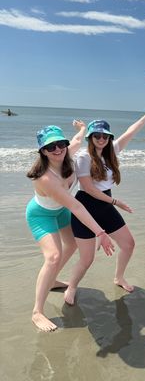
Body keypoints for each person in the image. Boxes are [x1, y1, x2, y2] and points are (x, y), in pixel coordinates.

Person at [26, 121, 114, 332]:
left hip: (60, 211)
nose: (57, 149)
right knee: (53, 256)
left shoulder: (68, 154)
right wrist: (100, 232)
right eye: (50, 147)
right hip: (41, 215)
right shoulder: (46, 178)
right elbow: (76, 206)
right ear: (43, 151)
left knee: (73, 244)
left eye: (60, 144)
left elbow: (75, 140)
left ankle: (53, 279)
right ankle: (37, 312)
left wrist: (82, 129)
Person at [64, 108, 145, 305]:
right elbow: (88, 189)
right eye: (96, 135)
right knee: (87, 259)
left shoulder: (112, 150)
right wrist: (117, 202)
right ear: (91, 137)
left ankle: (119, 277)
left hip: (105, 204)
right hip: (86, 206)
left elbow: (130, 132)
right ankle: (71, 286)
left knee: (129, 244)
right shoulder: (83, 157)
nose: (101, 139)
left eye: (104, 135)